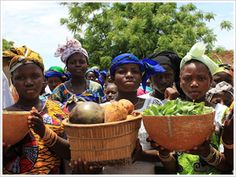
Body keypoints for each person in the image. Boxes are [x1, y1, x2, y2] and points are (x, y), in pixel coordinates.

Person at [70, 53, 165, 174]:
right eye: (122, 71)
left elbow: (168, 153)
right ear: (112, 78)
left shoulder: (154, 106)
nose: (129, 75)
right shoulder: (100, 110)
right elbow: (95, 154)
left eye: (135, 71)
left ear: (141, 77)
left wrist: (142, 155)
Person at [157, 42, 232, 174]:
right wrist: (164, 154)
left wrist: (207, 153)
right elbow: (174, 168)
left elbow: (229, 166)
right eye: (187, 78)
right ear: (180, 81)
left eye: (201, 78)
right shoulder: (174, 113)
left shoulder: (222, 113)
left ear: (210, 81)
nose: (194, 84)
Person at [2, 46, 71, 174]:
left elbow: (71, 152)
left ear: (43, 79)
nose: (28, 82)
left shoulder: (59, 110)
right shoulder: (5, 117)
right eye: (20, 78)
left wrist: (44, 132)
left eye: (35, 76)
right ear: (13, 81)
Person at [50, 38, 105, 110]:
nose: (78, 65)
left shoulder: (96, 87)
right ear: (67, 67)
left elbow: (102, 110)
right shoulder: (59, 91)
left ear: (87, 64)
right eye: (73, 62)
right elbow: (54, 114)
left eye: (81, 62)